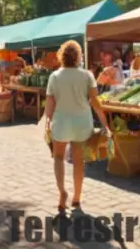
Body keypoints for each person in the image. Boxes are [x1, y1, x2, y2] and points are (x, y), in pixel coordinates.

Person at [45, 40, 110, 212]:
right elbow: (95, 101)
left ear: (61, 56)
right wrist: (104, 122)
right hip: (82, 123)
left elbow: (50, 103)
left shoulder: (55, 77)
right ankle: (77, 197)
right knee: (78, 161)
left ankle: (62, 193)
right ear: (78, 57)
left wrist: (47, 123)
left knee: (58, 157)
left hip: (61, 122)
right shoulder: (87, 75)